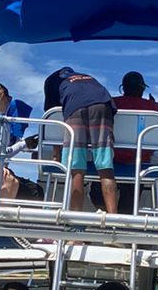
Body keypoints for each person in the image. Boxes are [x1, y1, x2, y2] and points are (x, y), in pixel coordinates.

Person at [46, 66, 119, 213]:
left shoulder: (52, 81)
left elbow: (52, 118)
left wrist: (56, 153)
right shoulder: (87, 77)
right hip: (102, 103)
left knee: (77, 170)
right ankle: (113, 218)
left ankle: (75, 218)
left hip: (74, 108)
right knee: (105, 168)